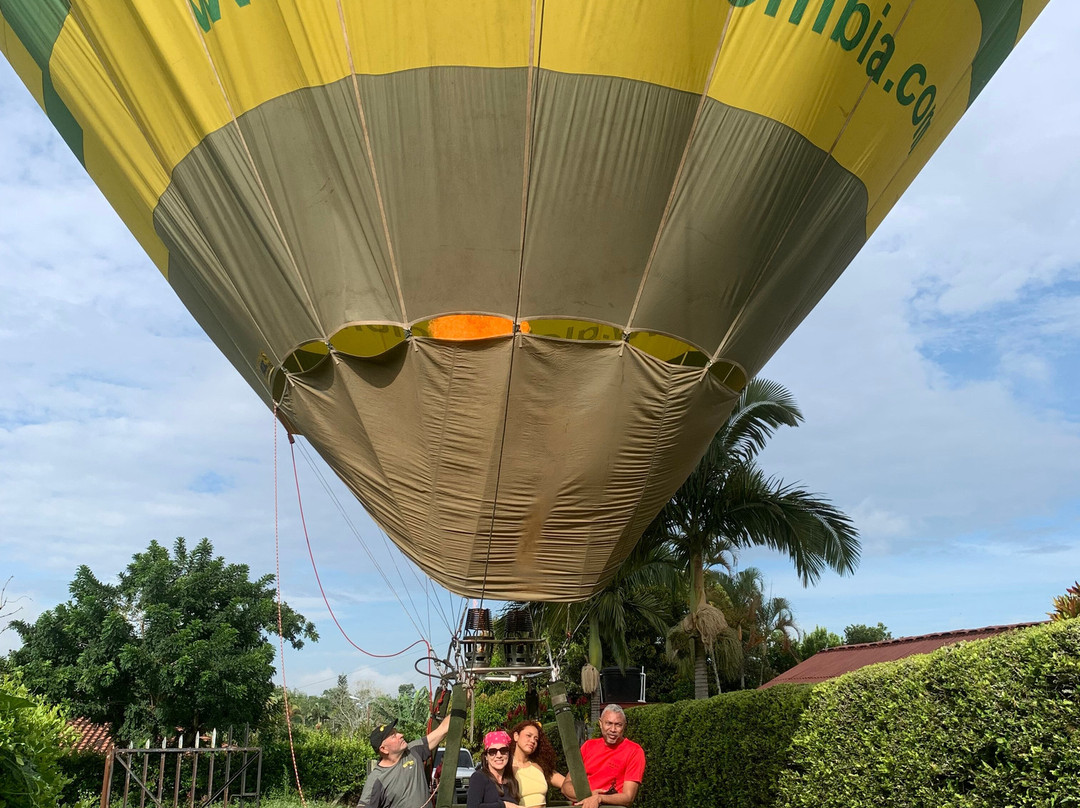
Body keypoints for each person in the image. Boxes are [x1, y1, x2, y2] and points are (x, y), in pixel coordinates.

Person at [358, 714, 452, 808]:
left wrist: (463, 701)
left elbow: (442, 730)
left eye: (397, 732)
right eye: (393, 736)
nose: (401, 735)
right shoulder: (376, 779)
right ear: (384, 749)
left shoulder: (413, 751)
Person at [561, 705, 644, 808]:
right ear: (600, 723)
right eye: (608, 723)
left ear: (624, 726)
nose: (613, 729)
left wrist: (600, 798)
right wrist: (590, 796)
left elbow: (628, 797)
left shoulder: (634, 751)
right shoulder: (588, 746)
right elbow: (566, 786)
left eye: (618, 725)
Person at [510, 720, 565, 807]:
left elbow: (567, 784)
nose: (532, 741)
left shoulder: (539, 766)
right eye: (528, 735)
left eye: (536, 739)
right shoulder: (506, 767)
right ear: (516, 736)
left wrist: (592, 795)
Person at [467, 730, 524, 808]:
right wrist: (503, 805)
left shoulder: (512, 782)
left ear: (508, 754)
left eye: (503, 750)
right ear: (486, 756)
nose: (499, 755)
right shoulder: (479, 778)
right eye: (492, 752)